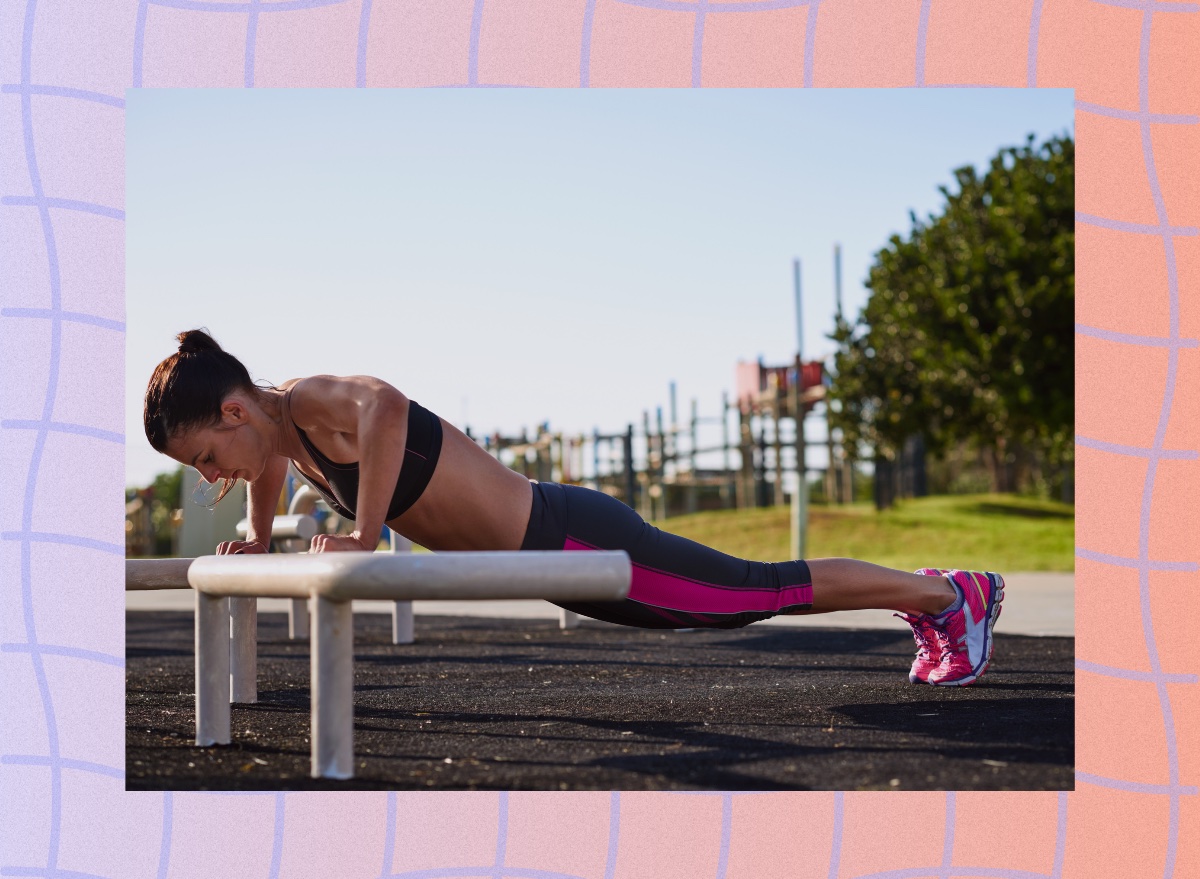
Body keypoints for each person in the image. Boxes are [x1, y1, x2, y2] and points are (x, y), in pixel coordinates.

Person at [144, 329, 1004, 687]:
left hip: (572, 532)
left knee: (758, 590)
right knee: (729, 607)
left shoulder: (313, 400)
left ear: (233, 411)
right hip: (555, 565)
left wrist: (368, 532)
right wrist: (255, 536)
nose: (214, 475)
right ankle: (934, 594)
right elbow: (264, 475)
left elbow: (389, 403)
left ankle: (945, 596)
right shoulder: (281, 441)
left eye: (207, 457)